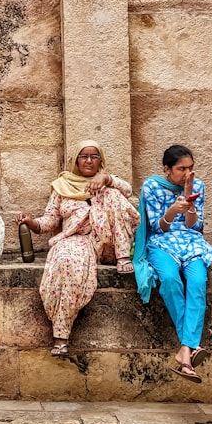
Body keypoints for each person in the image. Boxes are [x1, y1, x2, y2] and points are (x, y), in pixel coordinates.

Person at [16, 140, 139, 356]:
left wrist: (107, 179)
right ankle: (61, 337)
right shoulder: (62, 186)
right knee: (66, 261)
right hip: (77, 239)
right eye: (84, 156)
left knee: (112, 195)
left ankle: (123, 257)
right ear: (76, 160)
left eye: (94, 156)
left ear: (101, 160)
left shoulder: (108, 182)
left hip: (107, 242)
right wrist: (32, 223)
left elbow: (127, 191)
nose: (89, 161)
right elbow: (51, 220)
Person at [139, 145, 212, 384]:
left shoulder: (198, 186)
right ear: (167, 169)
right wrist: (172, 210)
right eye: (182, 169)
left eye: (191, 168)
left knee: (197, 282)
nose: (187, 173)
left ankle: (185, 350)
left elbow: (194, 226)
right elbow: (156, 228)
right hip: (162, 243)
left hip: (192, 243)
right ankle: (190, 346)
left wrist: (190, 195)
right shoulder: (152, 186)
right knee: (170, 280)